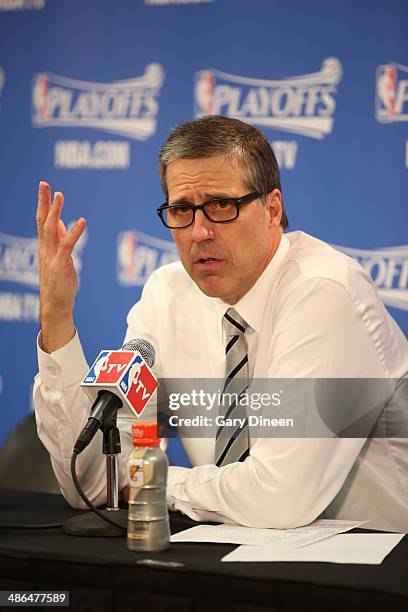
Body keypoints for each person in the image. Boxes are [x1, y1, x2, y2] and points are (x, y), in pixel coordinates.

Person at [34, 115, 408, 531]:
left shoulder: (324, 291)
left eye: (220, 206)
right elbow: (91, 481)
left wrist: (151, 483)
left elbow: (279, 499)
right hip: (241, 562)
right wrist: (56, 320)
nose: (199, 232)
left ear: (272, 209)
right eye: (181, 210)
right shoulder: (167, 294)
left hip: (382, 566)